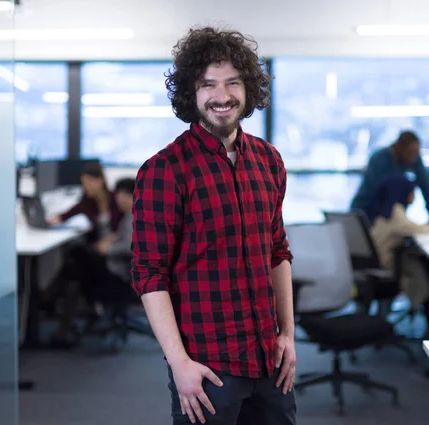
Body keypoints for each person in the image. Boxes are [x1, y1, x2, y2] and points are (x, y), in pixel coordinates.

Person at [131, 27, 296, 425]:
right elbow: (149, 275)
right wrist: (178, 364)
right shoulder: (164, 171)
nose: (222, 96)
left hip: (269, 360)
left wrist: (287, 334)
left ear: (248, 88)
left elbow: (277, 252)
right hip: (207, 369)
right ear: (192, 92)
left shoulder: (268, 160)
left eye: (232, 83)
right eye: (208, 85)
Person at [50, 177, 139, 348]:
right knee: (76, 265)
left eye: (124, 195)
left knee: (77, 256)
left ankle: (52, 298)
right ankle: (59, 300)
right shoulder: (127, 215)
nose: (120, 199)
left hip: (121, 274)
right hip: (115, 268)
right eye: (118, 195)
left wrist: (107, 249)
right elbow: (115, 237)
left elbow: (131, 248)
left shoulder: (134, 217)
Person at [367, 174, 429, 326]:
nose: (413, 196)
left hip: (379, 264)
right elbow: (414, 229)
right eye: (412, 192)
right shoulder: (394, 212)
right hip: (389, 267)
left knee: (428, 264)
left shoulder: (382, 210)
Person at [351, 130, 429, 223]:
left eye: (416, 153)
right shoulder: (379, 159)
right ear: (398, 147)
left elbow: (425, 185)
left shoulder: (413, 157)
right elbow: (383, 192)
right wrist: (408, 190)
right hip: (365, 211)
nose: (414, 158)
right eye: (410, 153)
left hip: (388, 214)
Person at [48, 162, 123, 241]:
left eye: (89, 183)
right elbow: (64, 216)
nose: (86, 187)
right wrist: (47, 222)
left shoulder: (117, 199)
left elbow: (127, 227)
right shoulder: (87, 202)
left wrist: (111, 239)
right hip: (99, 244)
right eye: (83, 184)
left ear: (101, 180)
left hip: (118, 243)